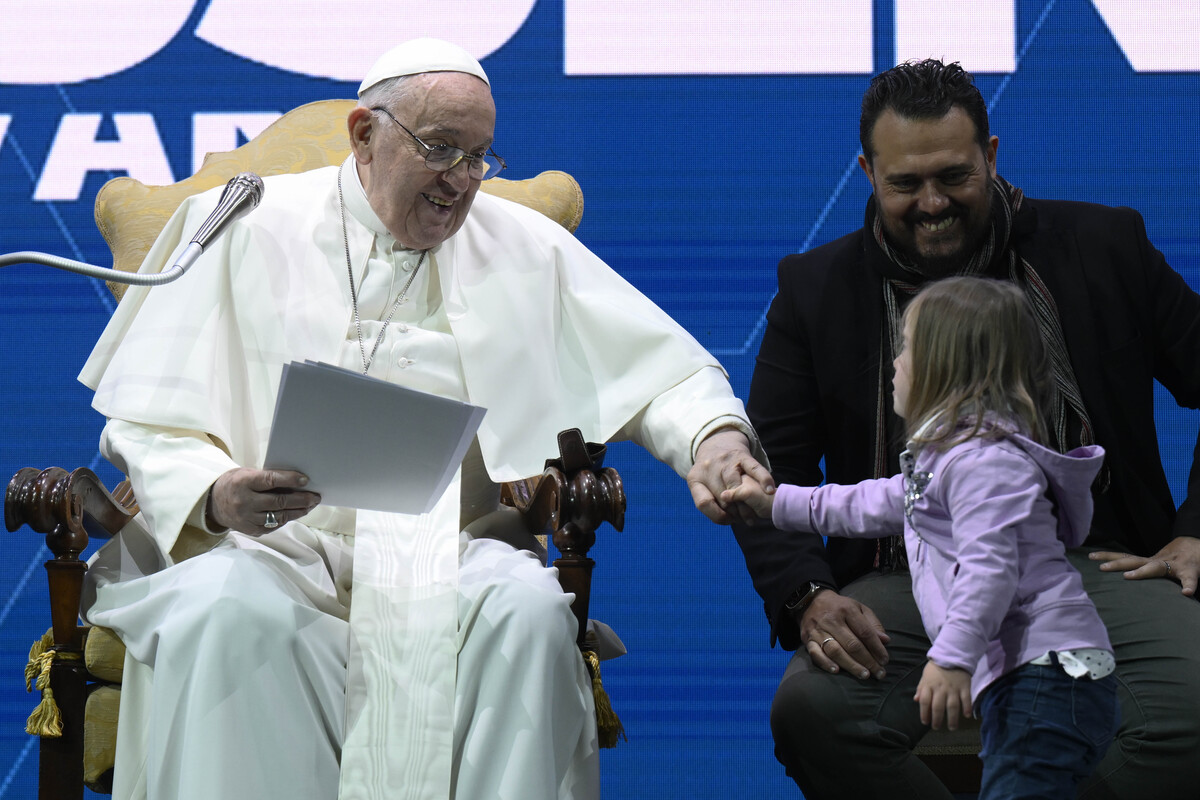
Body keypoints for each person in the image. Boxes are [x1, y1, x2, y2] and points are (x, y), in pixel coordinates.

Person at [76, 38, 770, 800]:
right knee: (226, 617)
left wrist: (715, 439)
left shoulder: (521, 243)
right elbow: (145, 417)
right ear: (364, 136)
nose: (464, 182)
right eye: (442, 149)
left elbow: (661, 369)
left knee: (530, 617)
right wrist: (214, 492)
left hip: (452, 554)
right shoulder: (238, 224)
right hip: (270, 549)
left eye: (480, 157)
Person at [731, 58, 1200, 799]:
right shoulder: (815, 289)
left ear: (991, 154)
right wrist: (807, 596)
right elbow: (773, 468)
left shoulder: (1106, 245)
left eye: (954, 176)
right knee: (814, 713)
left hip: (1101, 565)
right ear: (867, 171)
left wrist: (1196, 529)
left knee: (1193, 710)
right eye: (905, 184)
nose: (932, 203)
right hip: (911, 576)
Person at [726, 276, 1119, 797]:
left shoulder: (988, 466)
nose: (894, 362)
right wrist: (774, 504)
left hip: (1048, 676)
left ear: (944, 371)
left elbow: (990, 571)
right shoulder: (949, 459)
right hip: (1032, 678)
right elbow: (866, 503)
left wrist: (951, 659)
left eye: (907, 348)